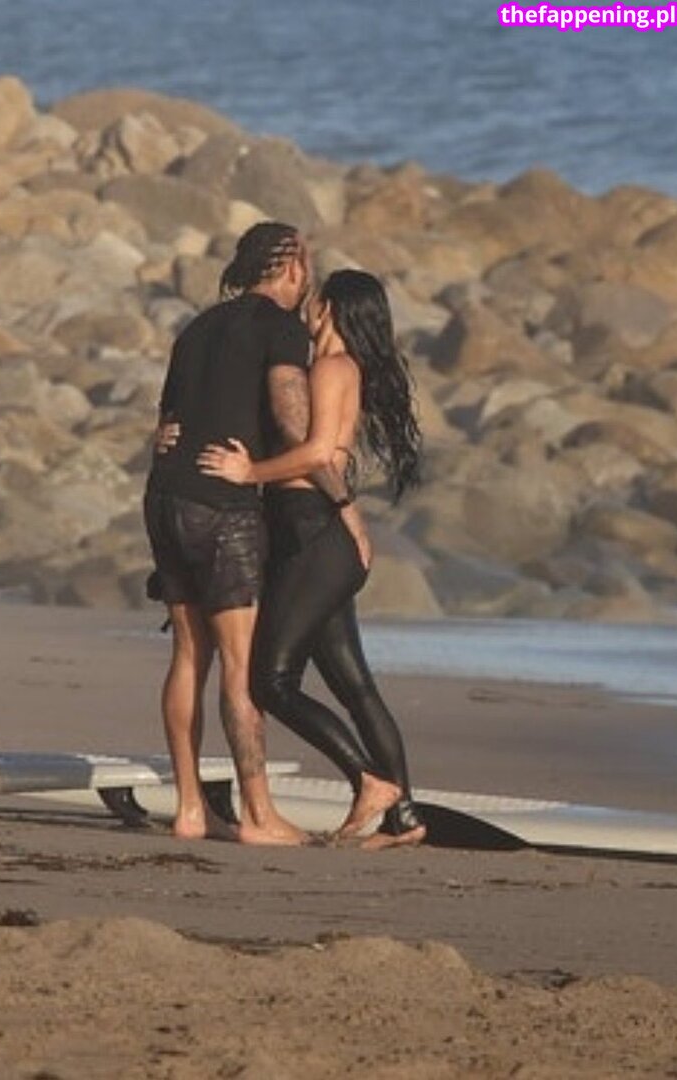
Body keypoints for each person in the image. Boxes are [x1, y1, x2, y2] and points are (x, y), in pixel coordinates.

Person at [144, 222, 362, 844]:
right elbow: (294, 424)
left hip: (165, 495)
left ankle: (191, 809)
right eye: (307, 265)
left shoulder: (196, 329)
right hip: (223, 506)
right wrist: (340, 499)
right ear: (291, 267)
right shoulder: (281, 328)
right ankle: (260, 816)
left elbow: (168, 421)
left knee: (190, 656)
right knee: (240, 668)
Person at [198, 270, 426, 848]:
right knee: (355, 687)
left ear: (328, 308)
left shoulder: (330, 368)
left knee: (271, 681)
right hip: (318, 535)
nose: (306, 304)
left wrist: (249, 472)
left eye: (314, 298)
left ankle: (370, 782)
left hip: (312, 534)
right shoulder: (342, 367)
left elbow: (319, 454)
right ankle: (404, 818)